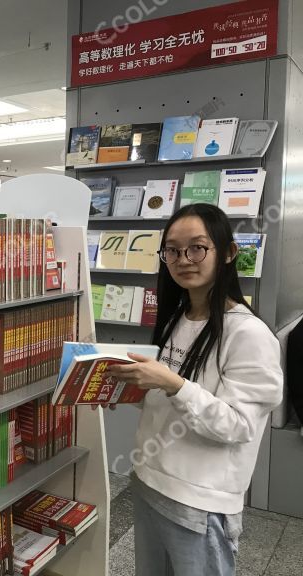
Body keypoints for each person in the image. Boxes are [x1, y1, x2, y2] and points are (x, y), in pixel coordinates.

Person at [104, 204, 283, 576]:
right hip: (149, 481)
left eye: (197, 247)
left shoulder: (248, 334)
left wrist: (173, 384)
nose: (183, 259)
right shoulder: (176, 319)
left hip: (199, 502)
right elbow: (171, 404)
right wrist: (124, 392)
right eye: (172, 250)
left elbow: (238, 427)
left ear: (229, 253)